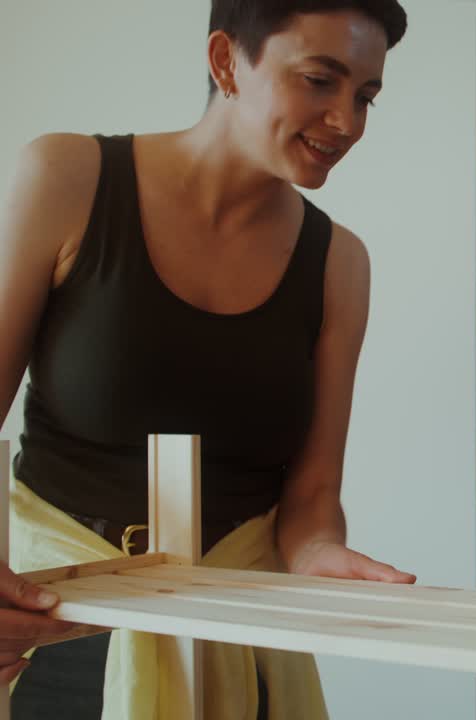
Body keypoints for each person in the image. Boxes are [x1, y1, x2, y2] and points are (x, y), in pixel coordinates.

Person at [0, 1, 415, 717]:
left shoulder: (340, 263)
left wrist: (318, 556)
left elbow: (312, 495)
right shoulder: (65, 177)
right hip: (51, 635)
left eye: (366, 96)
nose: (346, 121)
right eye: (321, 79)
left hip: (238, 645)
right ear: (225, 60)